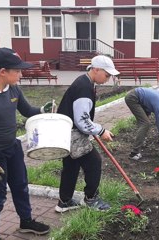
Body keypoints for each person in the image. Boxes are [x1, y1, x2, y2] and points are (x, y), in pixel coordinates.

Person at [0, 48, 52, 240]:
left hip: (12, 148)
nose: (21, 75)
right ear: (3, 71)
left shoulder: (13, 89)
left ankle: (26, 221)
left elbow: (27, 110)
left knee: (21, 186)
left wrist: (42, 109)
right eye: (18, 71)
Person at [56, 55, 119, 212]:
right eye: (107, 74)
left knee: (71, 166)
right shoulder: (84, 87)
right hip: (72, 133)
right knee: (94, 162)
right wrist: (101, 130)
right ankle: (91, 199)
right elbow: (82, 121)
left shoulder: (85, 82)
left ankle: (64, 201)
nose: (108, 78)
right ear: (96, 69)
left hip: (65, 131)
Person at [125, 87, 159, 162]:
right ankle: (134, 153)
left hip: (141, 100)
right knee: (145, 123)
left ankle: (140, 141)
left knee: (144, 122)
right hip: (133, 98)